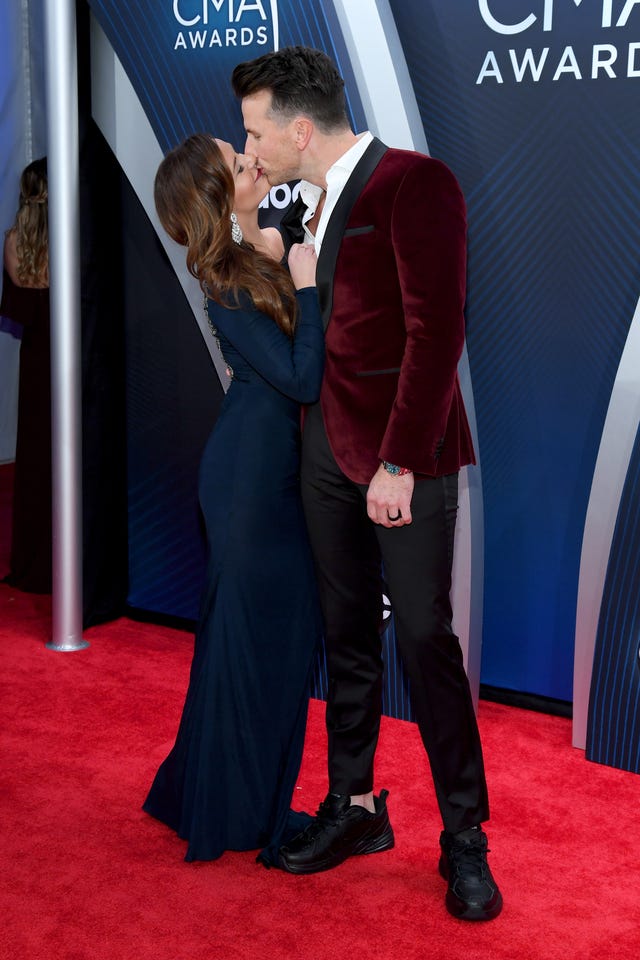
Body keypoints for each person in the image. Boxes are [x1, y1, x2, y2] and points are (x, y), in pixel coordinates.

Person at [232, 47, 502, 920]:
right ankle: (354, 809)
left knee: (425, 643)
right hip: (323, 456)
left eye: (255, 131)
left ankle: (465, 837)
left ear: (299, 128)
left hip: (400, 460)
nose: (251, 147)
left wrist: (399, 463)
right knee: (345, 638)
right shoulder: (299, 202)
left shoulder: (416, 184)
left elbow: (436, 332)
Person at [142, 133, 325, 866]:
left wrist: (291, 246)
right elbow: (302, 378)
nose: (253, 161)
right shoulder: (226, 280)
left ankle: (213, 791)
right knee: (258, 649)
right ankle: (235, 807)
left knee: (260, 647)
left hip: (268, 474)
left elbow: (285, 231)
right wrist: (307, 286)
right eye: (237, 159)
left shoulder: (251, 255)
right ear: (218, 193)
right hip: (252, 487)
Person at [1, 158, 52, 594]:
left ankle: (33, 561)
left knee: (36, 460)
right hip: (71, 362)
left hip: (37, 363)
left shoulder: (15, 241)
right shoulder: (73, 241)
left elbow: (19, 310)